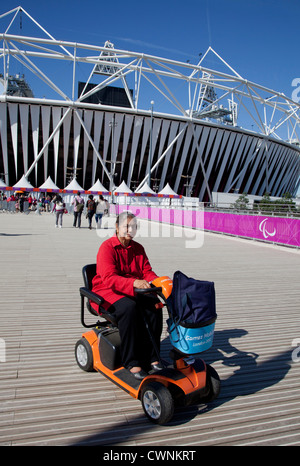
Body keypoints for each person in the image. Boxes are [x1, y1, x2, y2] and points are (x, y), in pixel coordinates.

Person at [91, 211, 163, 379]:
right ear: (117, 227)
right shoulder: (107, 247)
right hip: (106, 291)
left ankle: (152, 356)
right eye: (127, 226)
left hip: (132, 289)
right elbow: (108, 278)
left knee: (155, 304)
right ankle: (130, 360)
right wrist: (133, 283)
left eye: (134, 226)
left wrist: (158, 282)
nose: (130, 230)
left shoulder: (138, 248)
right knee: (129, 308)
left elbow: (147, 272)